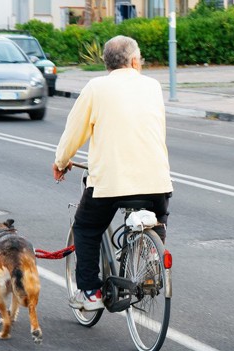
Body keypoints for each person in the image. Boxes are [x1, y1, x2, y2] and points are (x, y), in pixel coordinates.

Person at [53, 35, 173, 311]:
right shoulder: (153, 86)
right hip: (157, 180)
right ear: (134, 61)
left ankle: (91, 293)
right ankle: (149, 265)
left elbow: (74, 132)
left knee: (85, 227)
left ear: (107, 64)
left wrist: (61, 162)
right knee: (158, 219)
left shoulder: (96, 87)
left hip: (110, 184)